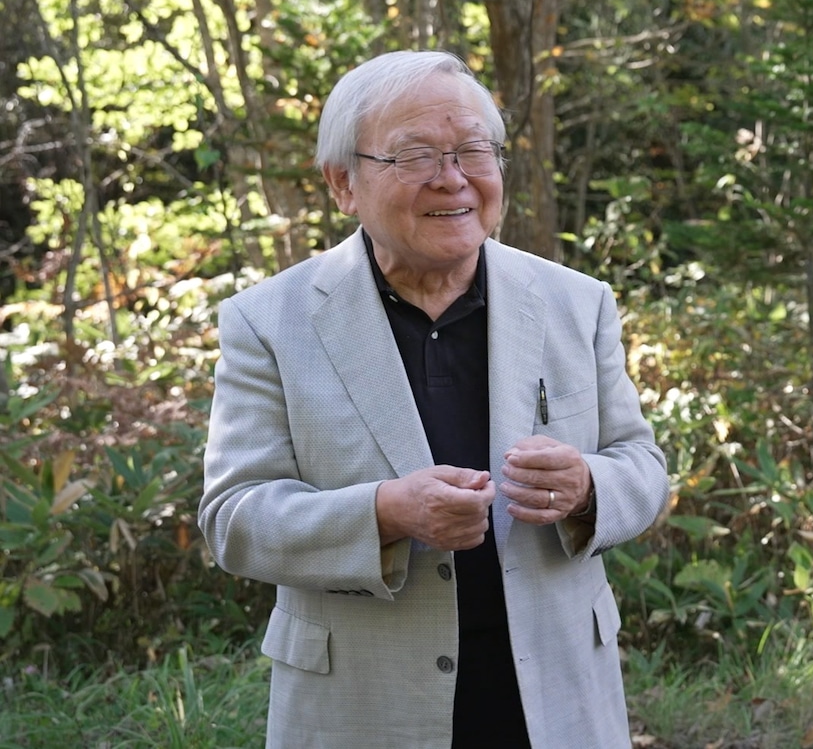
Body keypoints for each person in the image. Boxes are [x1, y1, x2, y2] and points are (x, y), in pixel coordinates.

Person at [199, 50, 670, 749]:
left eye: (473, 150)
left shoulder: (578, 302)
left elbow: (644, 469)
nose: (452, 178)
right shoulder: (267, 321)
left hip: (553, 700)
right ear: (343, 183)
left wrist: (587, 486)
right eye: (416, 154)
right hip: (363, 706)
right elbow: (233, 518)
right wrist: (386, 511)